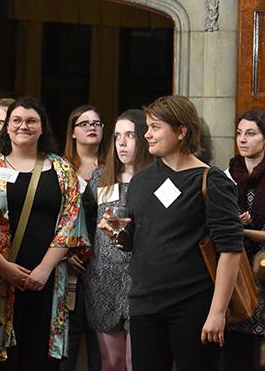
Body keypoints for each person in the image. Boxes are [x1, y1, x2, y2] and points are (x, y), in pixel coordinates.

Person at [100, 95, 243, 371]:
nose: (147, 134)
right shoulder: (141, 180)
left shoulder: (210, 180)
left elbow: (231, 249)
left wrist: (217, 312)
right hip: (144, 305)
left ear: (181, 132)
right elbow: (137, 244)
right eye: (148, 127)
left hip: (194, 307)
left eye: (155, 127)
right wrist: (117, 233)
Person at [0, 96, 89, 370]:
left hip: (45, 282)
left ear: (42, 127)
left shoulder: (62, 169)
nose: (23, 126)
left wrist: (45, 269)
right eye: (17, 120)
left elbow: (71, 222)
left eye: (31, 121)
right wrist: (2, 266)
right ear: (7, 127)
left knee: (39, 358)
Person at [85, 109, 153, 371]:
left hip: (141, 281)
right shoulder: (100, 178)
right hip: (104, 281)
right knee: (111, 362)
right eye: (116, 136)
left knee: (136, 362)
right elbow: (88, 223)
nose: (122, 143)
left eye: (130, 136)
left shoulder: (155, 180)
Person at [222, 110, 265, 371]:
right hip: (232, 275)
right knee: (231, 356)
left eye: (250, 134)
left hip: (263, 276)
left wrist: (244, 232)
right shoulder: (224, 177)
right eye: (239, 133)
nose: (242, 139)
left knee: (260, 357)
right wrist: (232, 226)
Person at [61, 105, 105, 371]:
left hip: (104, 264)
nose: (92, 127)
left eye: (97, 123)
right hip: (68, 264)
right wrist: (65, 253)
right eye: (85, 123)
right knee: (69, 338)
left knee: (100, 339)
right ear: (73, 132)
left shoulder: (115, 166)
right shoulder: (60, 167)